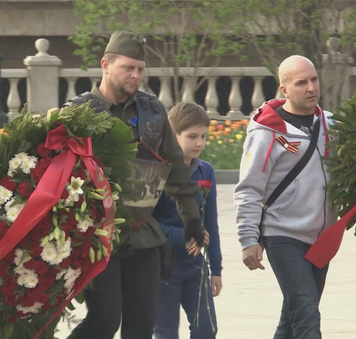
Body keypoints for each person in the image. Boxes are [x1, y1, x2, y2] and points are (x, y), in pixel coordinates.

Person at [64, 31, 205, 339]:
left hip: (143, 235)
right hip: (99, 237)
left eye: (140, 69)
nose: (136, 75)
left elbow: (176, 169)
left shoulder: (152, 110)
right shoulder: (79, 112)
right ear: (105, 65)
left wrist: (191, 218)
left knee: (142, 326)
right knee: (104, 320)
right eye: (128, 68)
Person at [234, 55, 336, 339]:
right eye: (301, 83)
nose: (311, 87)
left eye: (313, 79)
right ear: (284, 89)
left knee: (292, 321)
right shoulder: (267, 131)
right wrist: (248, 239)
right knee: (307, 316)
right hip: (282, 236)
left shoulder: (330, 124)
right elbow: (249, 188)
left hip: (322, 240)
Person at [153, 102, 222, 339]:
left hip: (195, 266)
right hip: (163, 266)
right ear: (173, 136)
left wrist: (216, 268)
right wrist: (179, 235)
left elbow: (211, 222)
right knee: (166, 332)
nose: (199, 143)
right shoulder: (157, 171)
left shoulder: (206, 171)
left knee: (207, 329)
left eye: (203, 136)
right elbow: (146, 222)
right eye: (192, 136)